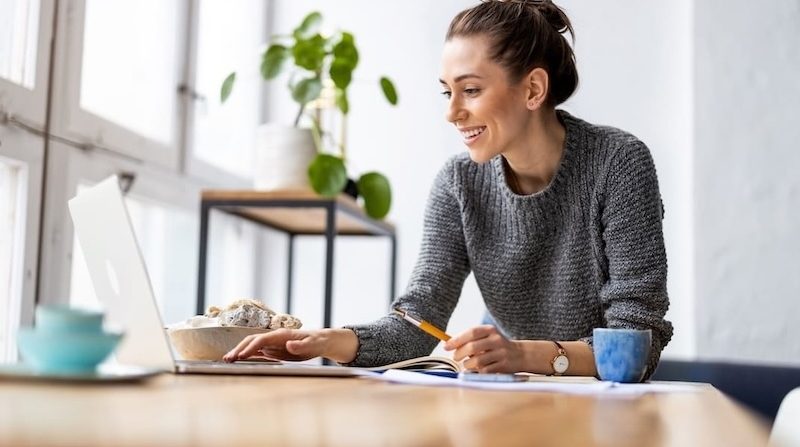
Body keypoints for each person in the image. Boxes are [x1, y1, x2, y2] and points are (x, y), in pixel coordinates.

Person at [224, 0, 673, 379]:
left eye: (470, 90)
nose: (452, 112)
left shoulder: (618, 163)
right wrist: (325, 341)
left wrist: (522, 354)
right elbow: (416, 322)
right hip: (514, 395)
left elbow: (636, 343)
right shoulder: (459, 183)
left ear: (533, 89)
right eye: (447, 93)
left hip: (607, 407)